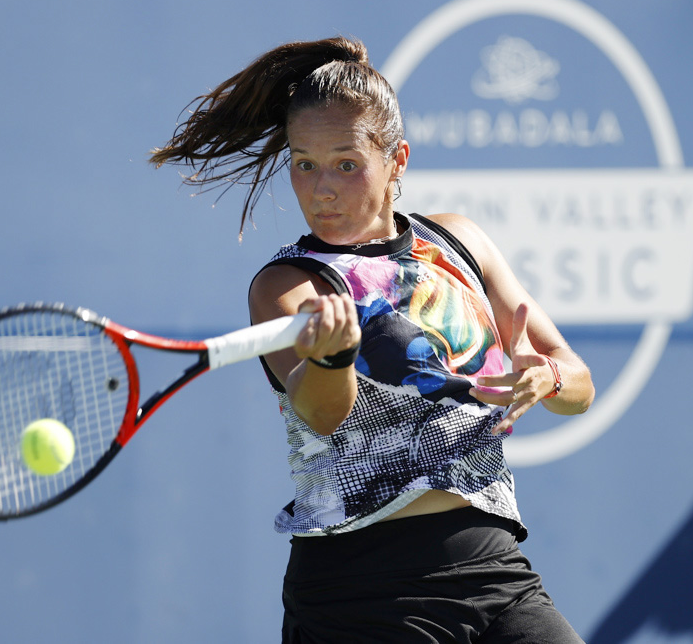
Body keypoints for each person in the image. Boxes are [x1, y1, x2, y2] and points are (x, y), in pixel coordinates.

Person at [151, 36, 595, 643]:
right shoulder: (287, 284)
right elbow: (321, 410)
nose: (322, 189)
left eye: (346, 163)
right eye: (304, 164)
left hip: (494, 568)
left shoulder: (461, 241)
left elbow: (579, 386)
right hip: (361, 596)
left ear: (398, 161)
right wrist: (332, 359)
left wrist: (547, 377)